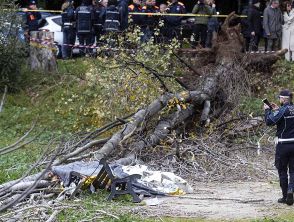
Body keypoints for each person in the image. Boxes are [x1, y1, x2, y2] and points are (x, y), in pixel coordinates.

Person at [264, 89, 294, 205]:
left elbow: (269, 121)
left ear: (283, 99)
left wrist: (267, 111)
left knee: (282, 170)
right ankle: (291, 190)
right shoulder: (286, 109)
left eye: (280, 98)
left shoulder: (282, 110)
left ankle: (285, 196)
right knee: (293, 170)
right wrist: (276, 110)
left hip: (283, 145)